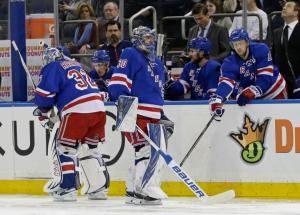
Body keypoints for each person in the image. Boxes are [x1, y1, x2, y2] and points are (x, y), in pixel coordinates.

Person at [108, 26, 174, 205]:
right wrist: (124, 106)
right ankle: (146, 189)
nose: (150, 41)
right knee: (147, 149)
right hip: (135, 111)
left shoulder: (157, 62)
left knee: (142, 150)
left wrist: (161, 113)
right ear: (137, 39)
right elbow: (119, 81)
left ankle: (133, 189)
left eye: (151, 38)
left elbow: (157, 92)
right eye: (146, 38)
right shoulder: (130, 53)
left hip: (153, 113)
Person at [33, 47, 109, 201]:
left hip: (77, 110)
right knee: (90, 149)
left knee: (65, 148)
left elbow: (44, 95)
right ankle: (98, 188)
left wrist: (43, 109)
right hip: (99, 108)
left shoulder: (53, 66)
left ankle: (67, 188)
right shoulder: (76, 65)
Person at [209, 28, 287, 119]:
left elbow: (265, 76)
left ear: (247, 42)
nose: (238, 47)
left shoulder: (261, 49)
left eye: (240, 43)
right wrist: (218, 98)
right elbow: (226, 82)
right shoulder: (229, 62)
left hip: (274, 89)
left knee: (280, 119)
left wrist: (254, 90)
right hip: (255, 96)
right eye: (235, 44)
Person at [272, 0, 300, 98]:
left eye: (288, 6)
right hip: (282, 82)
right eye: (284, 6)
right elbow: (274, 55)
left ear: (296, 12)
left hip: (297, 78)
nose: (284, 8)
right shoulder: (277, 32)